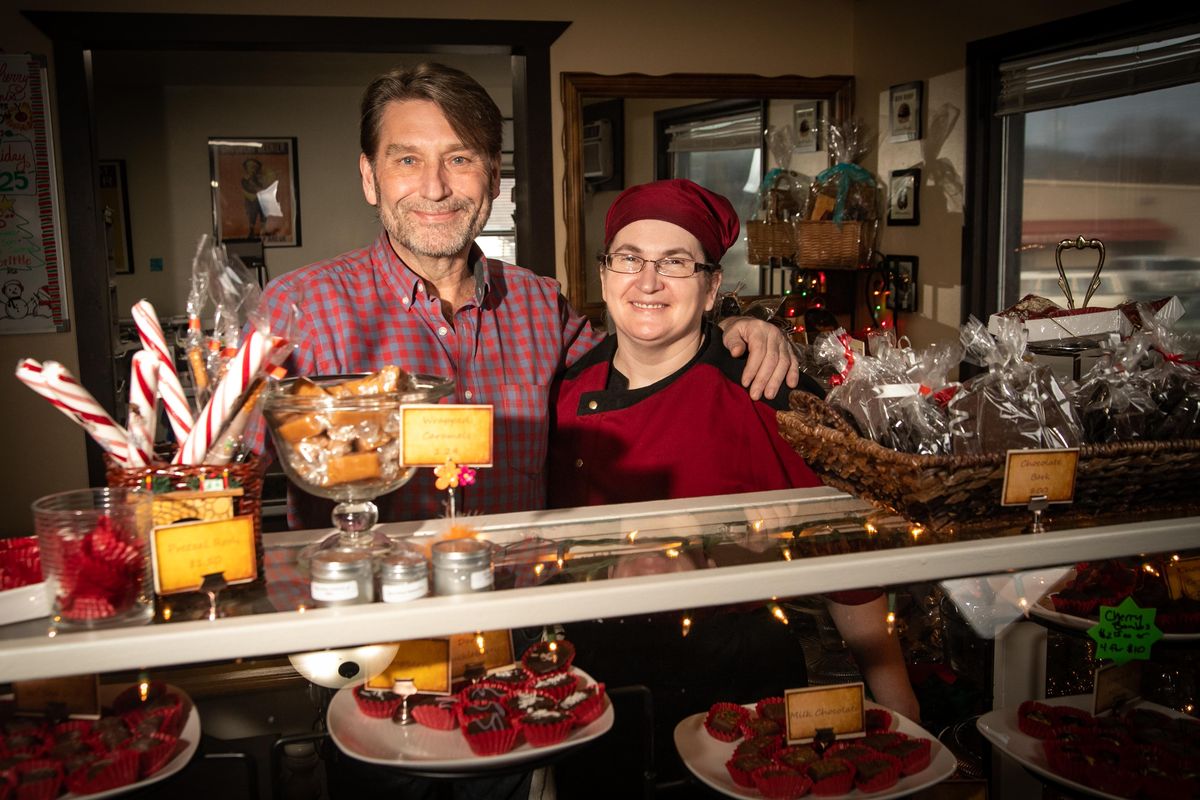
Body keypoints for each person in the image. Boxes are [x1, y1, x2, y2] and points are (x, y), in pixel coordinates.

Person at [256, 62, 799, 530]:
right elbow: (221, 476)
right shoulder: (298, 312)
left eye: (460, 159)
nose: (435, 187)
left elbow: (643, 351)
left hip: (528, 630)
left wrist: (729, 327)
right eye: (407, 160)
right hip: (376, 631)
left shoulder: (541, 306)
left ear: (494, 179)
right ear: (370, 178)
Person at [547, 179, 919, 796]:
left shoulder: (757, 389)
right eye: (629, 258)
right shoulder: (562, 390)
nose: (647, 281)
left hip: (733, 686)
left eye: (675, 263)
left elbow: (845, 561)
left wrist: (903, 716)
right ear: (605, 272)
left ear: (714, 285)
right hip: (593, 686)